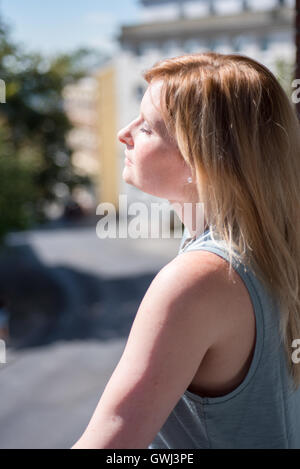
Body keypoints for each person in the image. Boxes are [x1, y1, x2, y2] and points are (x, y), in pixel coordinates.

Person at [72, 52, 300, 449]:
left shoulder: (198, 280)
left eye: (146, 128)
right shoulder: (278, 249)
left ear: (200, 159)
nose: (123, 133)